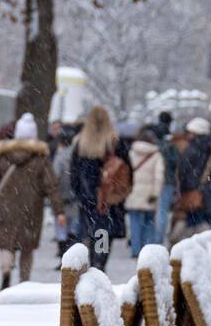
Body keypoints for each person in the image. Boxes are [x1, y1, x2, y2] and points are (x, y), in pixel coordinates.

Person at [0, 112, 63, 289]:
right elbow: (51, 186)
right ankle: (24, 282)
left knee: (7, 242)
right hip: (31, 208)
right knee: (26, 247)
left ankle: (6, 272)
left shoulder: (4, 156)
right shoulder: (41, 159)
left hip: (5, 206)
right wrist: (58, 210)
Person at [70, 104, 130, 272]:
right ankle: (99, 264)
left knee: (90, 231)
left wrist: (80, 194)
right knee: (104, 232)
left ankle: (91, 263)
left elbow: (73, 174)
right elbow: (127, 170)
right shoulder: (114, 142)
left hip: (87, 199)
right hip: (108, 199)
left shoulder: (81, 143)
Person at [172, 117, 211, 243]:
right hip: (206, 189)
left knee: (192, 219)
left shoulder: (192, 148)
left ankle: (196, 243)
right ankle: (208, 241)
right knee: (201, 217)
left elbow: (183, 171)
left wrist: (183, 187)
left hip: (192, 190)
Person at [126, 126, 165, 256]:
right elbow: (158, 177)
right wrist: (155, 194)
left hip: (133, 192)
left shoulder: (131, 153)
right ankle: (148, 250)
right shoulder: (156, 155)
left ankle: (135, 250)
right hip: (149, 194)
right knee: (149, 223)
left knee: (134, 223)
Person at [52, 123, 81, 261]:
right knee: (72, 226)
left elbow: (55, 176)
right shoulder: (77, 155)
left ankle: (63, 254)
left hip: (61, 196)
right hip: (75, 196)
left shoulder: (59, 156)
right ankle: (71, 254)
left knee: (60, 227)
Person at [152, 112, 178, 246]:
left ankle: (146, 239)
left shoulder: (151, 136)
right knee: (163, 212)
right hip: (166, 179)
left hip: (151, 179)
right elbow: (175, 161)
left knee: (150, 211)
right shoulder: (169, 141)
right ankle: (158, 240)